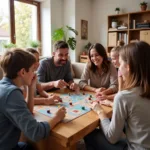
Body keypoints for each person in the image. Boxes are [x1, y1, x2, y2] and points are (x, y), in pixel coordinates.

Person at [84, 41, 150, 150]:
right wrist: (112, 104)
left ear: (128, 66)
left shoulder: (124, 96)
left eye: (120, 63)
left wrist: (100, 111)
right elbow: (136, 114)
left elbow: (112, 137)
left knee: (89, 134)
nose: (118, 66)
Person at [0, 49, 66, 150]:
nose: (34, 74)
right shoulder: (12, 93)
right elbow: (36, 133)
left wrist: (31, 87)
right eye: (32, 70)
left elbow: (28, 111)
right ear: (22, 72)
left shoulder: (4, 86)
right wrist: (57, 117)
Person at [99, 41, 125, 106]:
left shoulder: (122, 71)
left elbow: (121, 94)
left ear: (121, 57)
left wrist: (107, 98)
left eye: (113, 59)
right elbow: (120, 93)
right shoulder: (120, 70)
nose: (112, 62)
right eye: (111, 59)